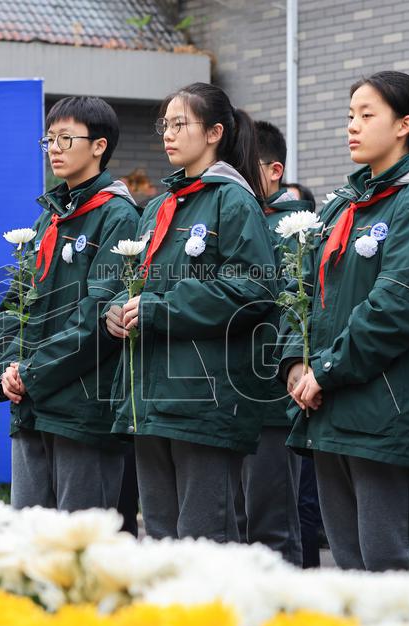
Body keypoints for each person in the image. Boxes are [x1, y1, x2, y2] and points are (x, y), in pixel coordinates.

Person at [278, 71, 409, 571]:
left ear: (405, 125)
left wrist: (325, 369)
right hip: (330, 406)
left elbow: (398, 306)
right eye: (349, 116)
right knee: (351, 570)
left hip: (387, 412)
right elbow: (301, 288)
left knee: (393, 566)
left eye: (366, 115)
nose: (352, 126)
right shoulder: (344, 204)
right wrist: (296, 362)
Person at [105, 82, 278, 542]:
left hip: (203, 399)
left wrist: (160, 309)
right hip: (150, 396)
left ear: (215, 132)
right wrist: (117, 310)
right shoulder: (160, 205)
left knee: (204, 541)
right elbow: (137, 283)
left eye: (180, 124)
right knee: (162, 540)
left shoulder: (232, 200)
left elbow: (254, 288)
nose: (167, 133)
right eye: (165, 124)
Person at [0, 96, 140, 512]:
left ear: (99, 146)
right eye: (49, 140)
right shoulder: (50, 217)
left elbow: (100, 313)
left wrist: (31, 372)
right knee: (29, 535)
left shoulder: (118, 216)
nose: (54, 148)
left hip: (81, 412)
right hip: (30, 405)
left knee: (79, 538)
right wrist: (7, 369)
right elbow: (15, 304)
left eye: (66, 139)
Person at [232, 120, 312, 565]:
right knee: (233, 526)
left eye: (244, 165)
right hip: (225, 396)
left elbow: (297, 308)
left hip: (270, 397)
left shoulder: (296, 229)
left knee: (271, 526)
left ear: (274, 170)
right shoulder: (229, 215)